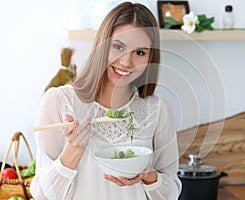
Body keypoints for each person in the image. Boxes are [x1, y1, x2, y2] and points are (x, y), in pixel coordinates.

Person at [30, 2, 182, 200]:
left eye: (140, 52)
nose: (126, 62)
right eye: (118, 46)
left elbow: (171, 192)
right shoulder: (58, 101)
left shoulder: (157, 110)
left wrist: (148, 176)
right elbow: (41, 194)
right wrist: (73, 150)